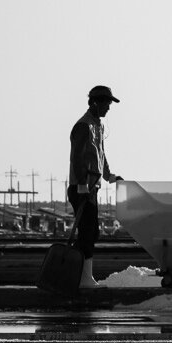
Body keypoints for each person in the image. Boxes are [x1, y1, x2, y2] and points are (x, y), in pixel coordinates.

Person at [69, 85, 124, 289]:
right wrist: (82, 184)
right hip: (81, 188)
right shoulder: (83, 126)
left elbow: (100, 154)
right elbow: (77, 157)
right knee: (87, 233)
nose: (108, 108)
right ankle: (83, 279)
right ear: (94, 103)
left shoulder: (97, 126)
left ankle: (81, 276)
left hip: (92, 188)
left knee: (91, 233)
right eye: (106, 104)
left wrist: (109, 176)